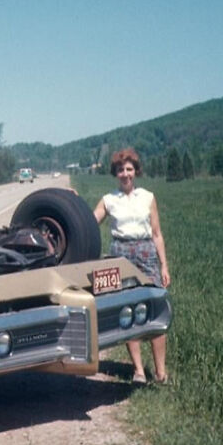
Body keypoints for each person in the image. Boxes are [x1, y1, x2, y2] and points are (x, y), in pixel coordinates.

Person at [93, 148, 170, 385]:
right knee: (126, 311)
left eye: (128, 169)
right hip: (121, 255)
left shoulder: (147, 197)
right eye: (120, 170)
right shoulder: (109, 200)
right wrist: (72, 202)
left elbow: (157, 234)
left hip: (146, 253)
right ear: (115, 173)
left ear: (135, 171)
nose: (125, 174)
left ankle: (161, 373)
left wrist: (164, 266)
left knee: (156, 309)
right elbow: (89, 221)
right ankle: (138, 370)